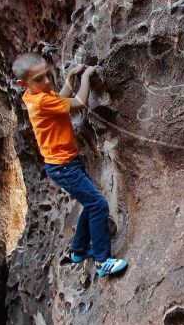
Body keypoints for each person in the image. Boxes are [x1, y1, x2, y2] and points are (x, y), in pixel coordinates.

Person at [12, 52, 127, 278]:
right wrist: (86, 78)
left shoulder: (34, 96)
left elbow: (60, 101)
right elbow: (78, 103)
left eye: (47, 75)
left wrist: (71, 77)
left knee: (90, 202)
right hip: (64, 166)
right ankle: (103, 262)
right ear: (22, 83)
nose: (46, 82)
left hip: (65, 163)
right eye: (39, 79)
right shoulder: (42, 100)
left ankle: (78, 250)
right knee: (99, 205)